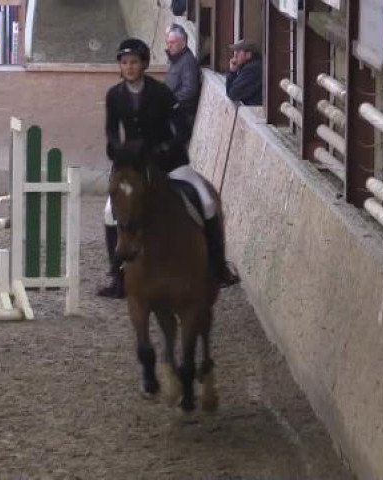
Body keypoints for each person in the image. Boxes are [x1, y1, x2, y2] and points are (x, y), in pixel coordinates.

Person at [99, 37, 237, 297]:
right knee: (109, 212)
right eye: (125, 63)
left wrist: (166, 147)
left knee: (207, 202)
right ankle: (117, 277)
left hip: (169, 162)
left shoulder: (161, 93)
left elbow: (182, 126)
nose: (129, 67)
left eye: (134, 63)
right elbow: (111, 132)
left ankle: (218, 268)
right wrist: (119, 150)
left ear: (144, 64)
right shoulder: (114, 95)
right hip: (132, 166)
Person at [164, 23, 201, 128]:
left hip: (181, 114)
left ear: (183, 43)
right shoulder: (176, 59)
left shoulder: (188, 61)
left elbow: (189, 89)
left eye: (172, 43)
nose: (169, 46)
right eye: (168, 43)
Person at [226, 39, 263, 106]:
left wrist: (232, 72)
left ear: (248, 54)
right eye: (235, 51)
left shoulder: (252, 69)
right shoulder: (251, 66)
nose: (235, 55)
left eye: (238, 51)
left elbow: (233, 94)